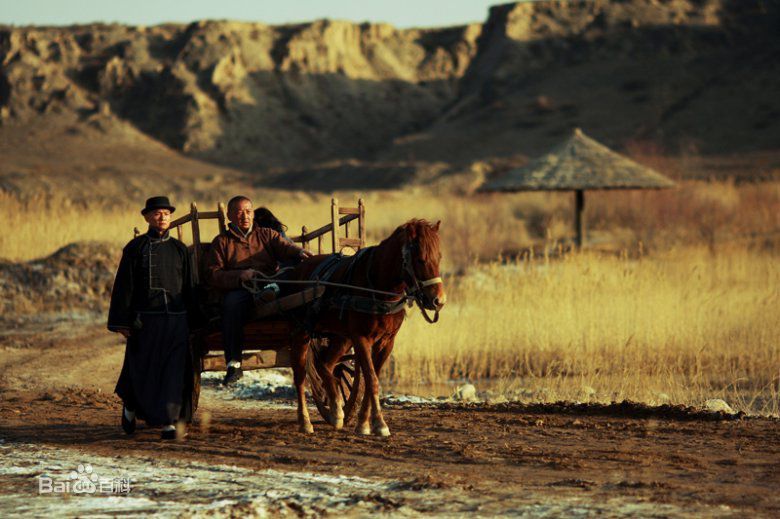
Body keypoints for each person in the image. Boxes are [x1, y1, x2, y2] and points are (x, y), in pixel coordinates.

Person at [108, 196, 196, 440]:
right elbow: (124, 286)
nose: (162, 217)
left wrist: (195, 320)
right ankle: (130, 405)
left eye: (166, 213)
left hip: (176, 320)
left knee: (173, 372)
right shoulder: (135, 248)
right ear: (147, 217)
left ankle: (169, 423)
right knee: (142, 370)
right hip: (145, 322)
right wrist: (122, 321)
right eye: (157, 213)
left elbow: (189, 287)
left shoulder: (180, 249)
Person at [206, 195, 312, 385]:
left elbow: (285, 247)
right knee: (231, 304)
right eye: (239, 212)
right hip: (242, 288)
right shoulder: (221, 242)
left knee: (291, 276)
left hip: (271, 281)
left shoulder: (267, 234)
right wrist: (241, 276)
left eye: (248, 211)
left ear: (253, 214)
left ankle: (271, 294)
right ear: (230, 216)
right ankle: (234, 364)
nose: (244, 216)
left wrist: (299, 252)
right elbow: (214, 274)